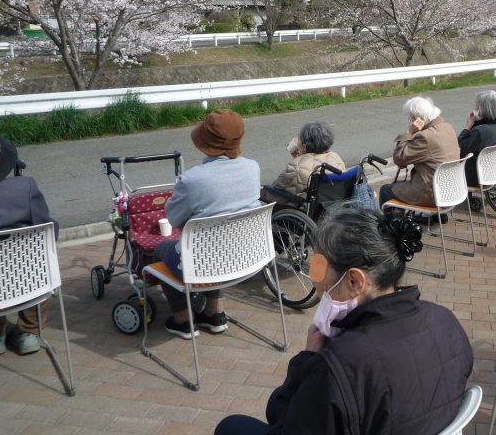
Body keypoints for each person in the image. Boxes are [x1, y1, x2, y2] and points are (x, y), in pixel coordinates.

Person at [214, 205, 474, 435]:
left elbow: (282, 417)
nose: (316, 287)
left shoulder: (341, 365)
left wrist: (308, 360)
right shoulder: (445, 321)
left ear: (354, 281)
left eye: (317, 269)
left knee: (230, 426)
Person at [153, 110, 261, 339]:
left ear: (205, 143)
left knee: (162, 249)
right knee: (219, 243)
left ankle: (183, 320)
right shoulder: (253, 168)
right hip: (247, 258)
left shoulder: (193, 179)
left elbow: (173, 218)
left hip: (205, 263)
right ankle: (215, 314)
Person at [0, 128, 59, 357]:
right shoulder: (24, 188)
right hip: (26, 282)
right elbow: (48, 231)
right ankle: (29, 332)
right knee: (37, 259)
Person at [379, 96, 459, 208]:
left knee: (386, 190)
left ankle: (393, 223)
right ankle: (435, 217)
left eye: (410, 119)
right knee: (405, 184)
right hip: (452, 189)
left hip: (433, 193)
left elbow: (399, 158)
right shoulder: (448, 127)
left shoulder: (426, 137)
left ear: (417, 119)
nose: (409, 122)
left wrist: (409, 132)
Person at [267, 122, 345, 197]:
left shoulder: (295, 169)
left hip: (302, 207)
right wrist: (299, 159)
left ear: (304, 146)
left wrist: (298, 160)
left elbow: (273, 193)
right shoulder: (336, 158)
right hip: (330, 204)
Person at [458, 90, 496, 186]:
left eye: (476, 104)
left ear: (482, 108)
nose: (474, 107)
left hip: (475, 177)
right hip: (494, 173)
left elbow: (460, 150)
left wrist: (467, 127)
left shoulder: (479, 131)